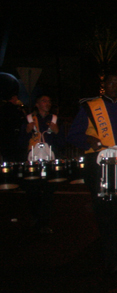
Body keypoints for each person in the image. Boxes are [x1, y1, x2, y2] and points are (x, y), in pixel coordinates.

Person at [66, 73, 117, 274]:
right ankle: (111, 256)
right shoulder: (90, 107)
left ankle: (111, 241)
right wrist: (89, 140)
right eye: (110, 82)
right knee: (104, 210)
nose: (114, 85)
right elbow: (72, 135)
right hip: (98, 164)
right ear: (103, 85)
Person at [21, 94, 63, 233]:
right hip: (32, 160)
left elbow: (63, 143)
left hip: (49, 160)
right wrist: (26, 131)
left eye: (49, 101)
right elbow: (19, 142)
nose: (47, 103)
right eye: (44, 101)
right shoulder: (29, 119)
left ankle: (43, 222)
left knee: (48, 192)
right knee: (32, 190)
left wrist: (57, 132)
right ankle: (36, 217)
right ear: (37, 104)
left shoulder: (55, 120)